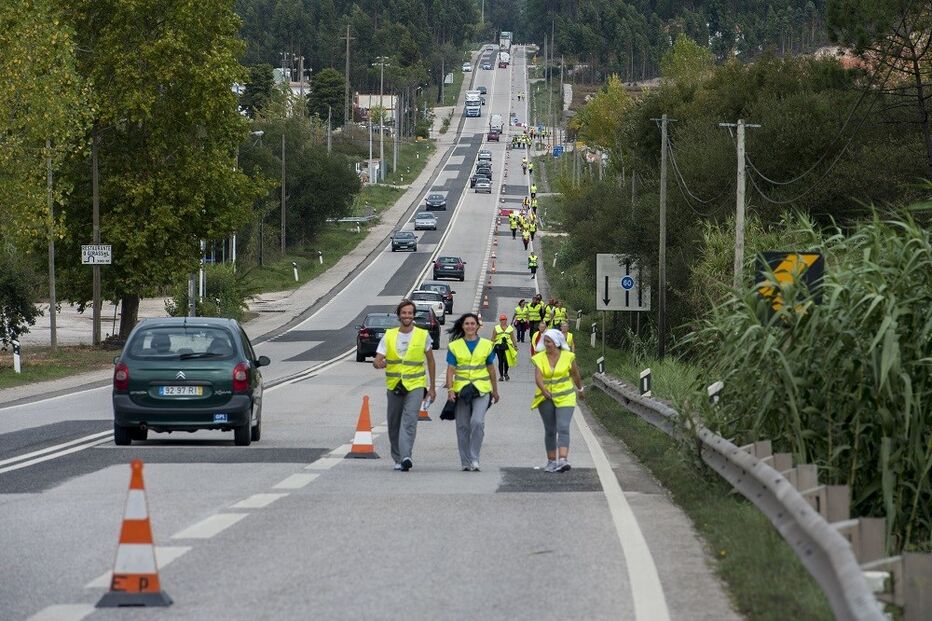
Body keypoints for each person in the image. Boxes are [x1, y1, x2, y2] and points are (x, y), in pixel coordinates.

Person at [373, 299, 437, 472]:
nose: (407, 316)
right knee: (394, 423)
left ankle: (406, 456)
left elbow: (430, 361)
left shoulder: (422, 335)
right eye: (404, 313)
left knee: (409, 420)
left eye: (410, 313)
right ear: (399, 315)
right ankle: (397, 457)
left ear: (413, 315)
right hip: (394, 385)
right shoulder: (389, 335)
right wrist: (379, 363)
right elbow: (377, 360)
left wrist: (431, 388)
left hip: (416, 385)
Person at [445, 314, 500, 471]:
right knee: (462, 426)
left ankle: (474, 458)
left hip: (482, 390)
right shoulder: (454, 346)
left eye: (473, 324)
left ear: (477, 326)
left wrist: (495, 391)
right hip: (462, 391)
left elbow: (491, 369)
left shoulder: (487, 345)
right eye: (467, 324)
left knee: (477, 422)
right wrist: (450, 389)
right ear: (462, 326)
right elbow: (450, 370)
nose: (470, 326)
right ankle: (465, 461)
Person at [531, 329, 585, 473]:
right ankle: (551, 461)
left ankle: (562, 460)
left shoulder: (568, 356)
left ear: (557, 342)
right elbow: (538, 376)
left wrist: (580, 389)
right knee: (550, 430)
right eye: (545, 341)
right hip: (546, 397)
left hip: (566, 396)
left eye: (549, 341)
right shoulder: (539, 357)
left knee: (563, 426)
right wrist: (543, 390)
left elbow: (575, 374)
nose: (547, 344)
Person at [492, 314, 518, 381]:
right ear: (500, 320)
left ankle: (505, 373)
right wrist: (491, 346)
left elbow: (513, 338)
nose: (503, 321)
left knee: (506, 360)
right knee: (500, 361)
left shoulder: (510, 328)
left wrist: (515, 346)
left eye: (504, 319)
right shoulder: (496, 328)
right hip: (499, 346)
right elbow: (493, 338)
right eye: (502, 320)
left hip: (507, 346)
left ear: (506, 320)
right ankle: (501, 376)